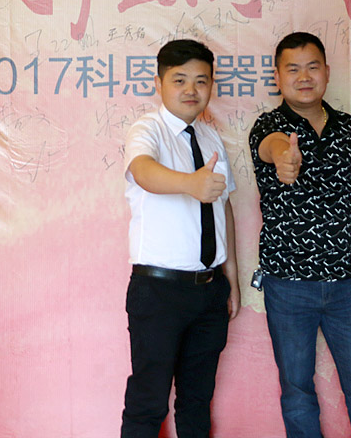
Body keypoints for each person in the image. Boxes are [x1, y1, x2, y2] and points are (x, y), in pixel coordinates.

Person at [249, 32, 351, 438]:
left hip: (348, 282)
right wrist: (284, 157)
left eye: (312, 67)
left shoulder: (349, 128)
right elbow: (273, 147)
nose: (304, 77)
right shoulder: (268, 126)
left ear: (327, 72)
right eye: (293, 69)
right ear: (278, 77)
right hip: (288, 285)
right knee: (297, 391)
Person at [120, 39, 240, 438]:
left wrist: (230, 279)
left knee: (197, 402)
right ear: (159, 84)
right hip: (159, 292)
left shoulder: (210, 138)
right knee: (147, 402)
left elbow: (223, 208)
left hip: (210, 291)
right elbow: (143, 171)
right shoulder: (147, 129)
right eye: (180, 80)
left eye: (201, 81)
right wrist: (190, 184)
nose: (191, 90)